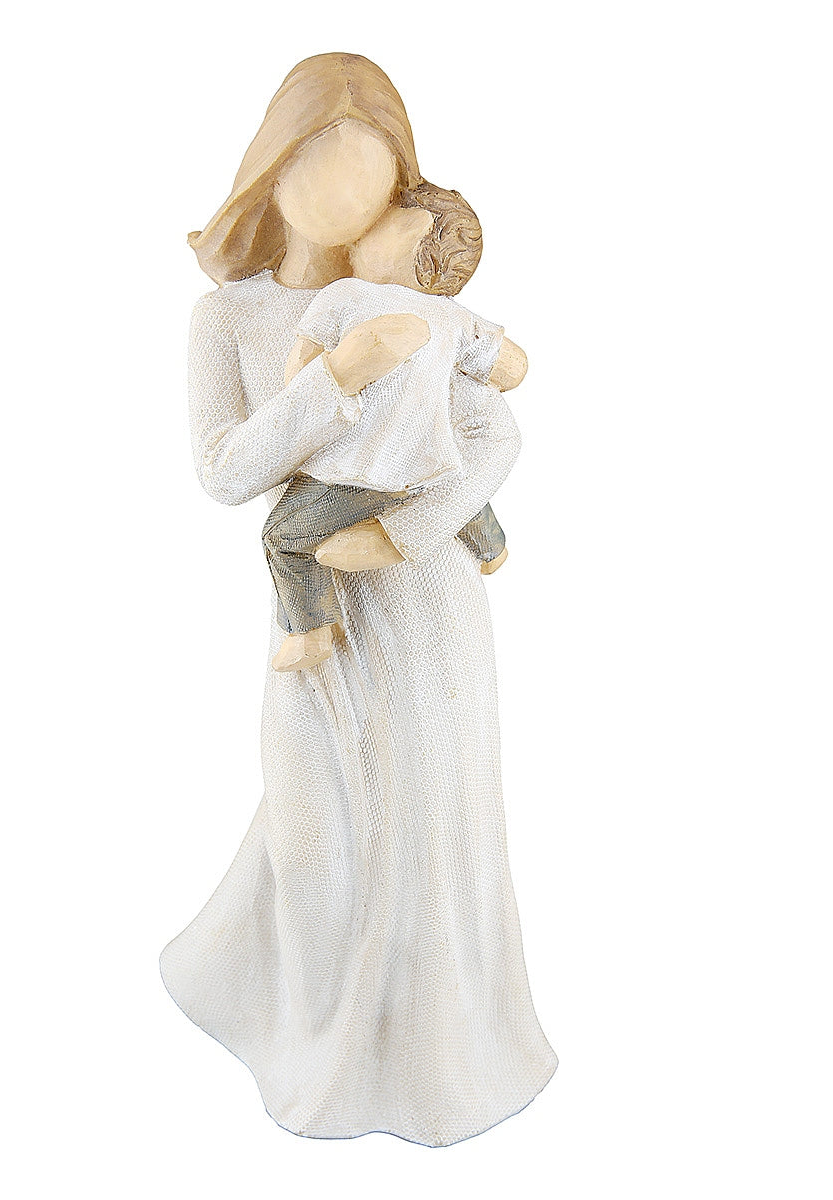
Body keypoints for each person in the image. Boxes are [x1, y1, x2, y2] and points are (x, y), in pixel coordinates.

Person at [161, 53, 555, 1148]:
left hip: (426, 605)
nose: (347, 200)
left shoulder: (423, 302)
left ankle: (426, 1060)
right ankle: (304, 1031)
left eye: (373, 177)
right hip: (318, 616)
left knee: (428, 840)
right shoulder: (230, 319)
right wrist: (332, 380)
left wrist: (405, 533)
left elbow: (495, 434)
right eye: (323, 167)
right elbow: (226, 472)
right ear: (272, 166)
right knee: (316, 852)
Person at [263, 181, 523, 672]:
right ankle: (493, 549)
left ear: (418, 244)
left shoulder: (345, 294)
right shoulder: (453, 316)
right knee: (454, 486)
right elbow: (510, 369)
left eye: (384, 224)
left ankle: (311, 633)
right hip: (430, 460)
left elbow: (301, 380)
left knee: (283, 535)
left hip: (357, 469)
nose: (363, 231)